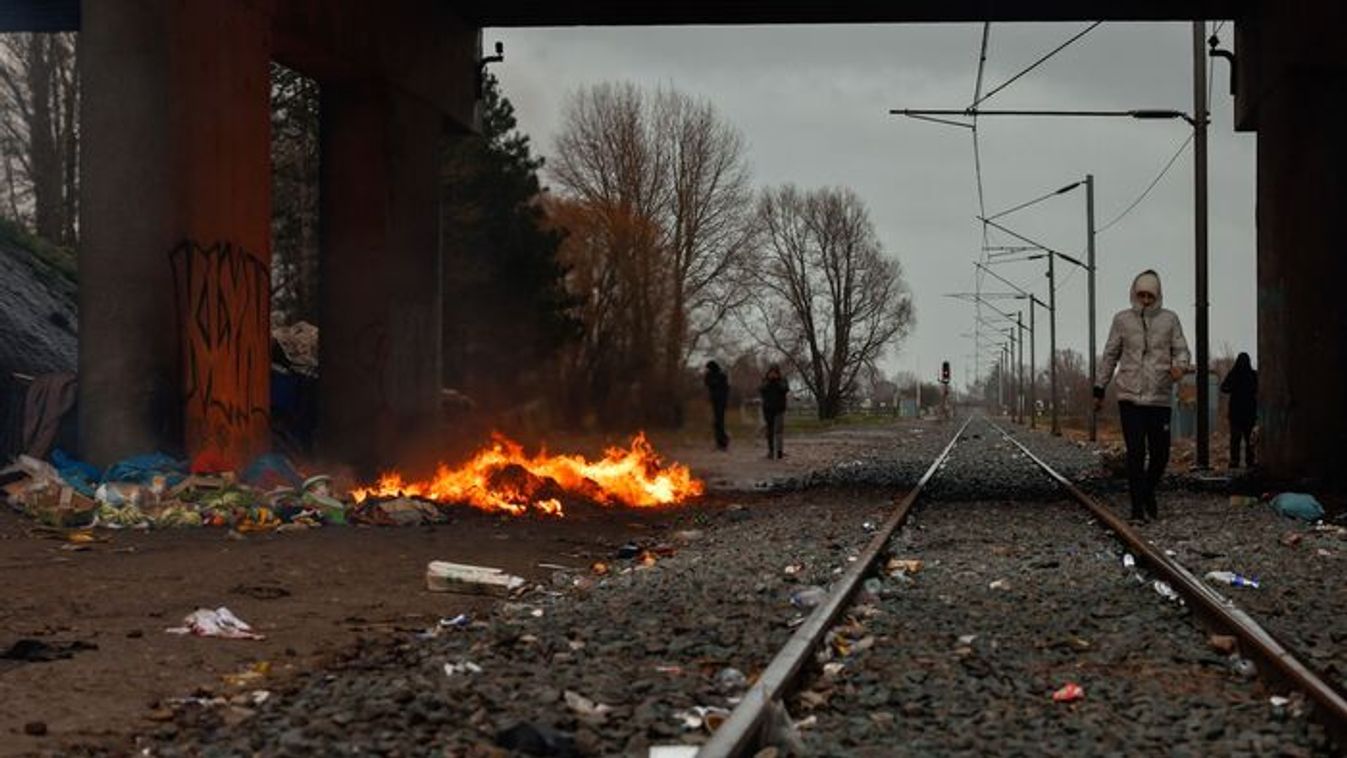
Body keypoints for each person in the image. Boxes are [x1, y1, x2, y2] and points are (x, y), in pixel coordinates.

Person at [1093, 269, 1190, 524]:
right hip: (1130, 397)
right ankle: (1137, 509)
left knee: (1160, 455)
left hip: (1159, 397)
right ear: (1134, 295)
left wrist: (1180, 367)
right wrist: (1099, 388)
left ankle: (1147, 490)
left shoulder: (1170, 320)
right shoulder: (1122, 320)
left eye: (1150, 296)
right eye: (1141, 295)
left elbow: (1182, 350)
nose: (1145, 300)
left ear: (1157, 296)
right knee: (1136, 453)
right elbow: (1110, 355)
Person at [1220, 352, 1257, 468]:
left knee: (1235, 439)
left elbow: (1224, 388)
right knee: (1249, 439)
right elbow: (1259, 389)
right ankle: (1250, 461)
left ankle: (1234, 461)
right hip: (1249, 412)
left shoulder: (1234, 374)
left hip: (1236, 413)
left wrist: (1233, 388)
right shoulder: (1253, 375)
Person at [759, 365, 789, 459]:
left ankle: (779, 451)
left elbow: (785, 389)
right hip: (768, 409)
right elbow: (761, 390)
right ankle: (771, 451)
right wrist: (769, 381)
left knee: (779, 430)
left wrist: (777, 381)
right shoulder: (765, 381)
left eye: (775, 372)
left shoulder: (782, 380)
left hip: (779, 409)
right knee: (770, 430)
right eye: (771, 372)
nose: (773, 374)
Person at [703, 360, 730, 451]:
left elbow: (725, 388)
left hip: (721, 400)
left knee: (719, 422)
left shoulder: (722, 375)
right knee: (717, 422)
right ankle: (720, 441)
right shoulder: (709, 375)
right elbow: (707, 383)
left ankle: (723, 441)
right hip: (714, 400)